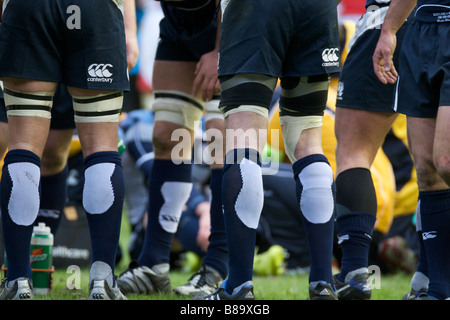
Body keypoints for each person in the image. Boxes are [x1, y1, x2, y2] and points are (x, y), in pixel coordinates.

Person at [199, 0, 341, 300]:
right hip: (317, 9)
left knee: (243, 140)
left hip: (254, 10)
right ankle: (323, 284)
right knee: (308, 143)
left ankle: (238, 286)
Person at [0, 0, 135, 300]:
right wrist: (130, 30)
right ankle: (102, 280)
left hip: (29, 9)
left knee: (23, 144)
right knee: (101, 145)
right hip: (96, 9)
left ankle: (18, 280)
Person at [117, 0, 228, 297]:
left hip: (229, 23)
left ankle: (219, 267)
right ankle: (154, 264)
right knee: (167, 135)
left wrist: (219, 49)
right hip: (179, 24)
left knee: (222, 140)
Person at [332, 0, 417, 300]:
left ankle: (354, 275)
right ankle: (434, 283)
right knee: (437, 163)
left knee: (352, 153)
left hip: (389, 20)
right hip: (437, 29)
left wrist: (389, 28)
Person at [373, 0, 450, 300]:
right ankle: (439, 290)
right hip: (419, 32)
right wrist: (389, 30)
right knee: (429, 173)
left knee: (445, 162)